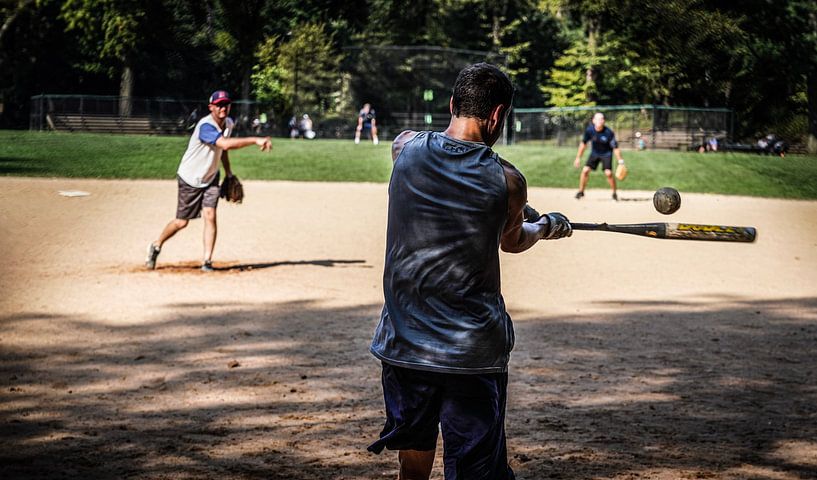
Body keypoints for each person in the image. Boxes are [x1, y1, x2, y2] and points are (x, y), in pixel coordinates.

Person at [368, 63, 572, 480]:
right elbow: (513, 239)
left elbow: (458, 189)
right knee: (476, 471)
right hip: (471, 352)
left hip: (406, 344)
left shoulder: (404, 146)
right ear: (497, 115)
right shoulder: (508, 181)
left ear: (452, 104)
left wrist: (515, 211)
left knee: (413, 457)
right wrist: (545, 225)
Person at [145, 90, 271, 272]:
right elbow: (225, 144)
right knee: (182, 222)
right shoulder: (206, 126)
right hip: (190, 178)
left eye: (225, 104)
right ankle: (156, 245)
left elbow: (223, 151)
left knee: (210, 215)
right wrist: (255, 140)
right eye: (219, 104)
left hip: (211, 176)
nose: (223, 108)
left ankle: (207, 261)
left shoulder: (228, 123)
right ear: (211, 107)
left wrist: (228, 173)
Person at [573, 112, 625, 201]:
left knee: (608, 173)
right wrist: (578, 158)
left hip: (606, 154)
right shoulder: (589, 130)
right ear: (593, 120)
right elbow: (583, 144)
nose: (599, 121)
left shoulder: (609, 132)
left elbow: (615, 148)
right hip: (595, 153)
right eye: (597, 119)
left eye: (601, 119)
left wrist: (620, 161)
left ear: (604, 121)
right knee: (585, 170)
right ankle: (581, 191)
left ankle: (614, 193)